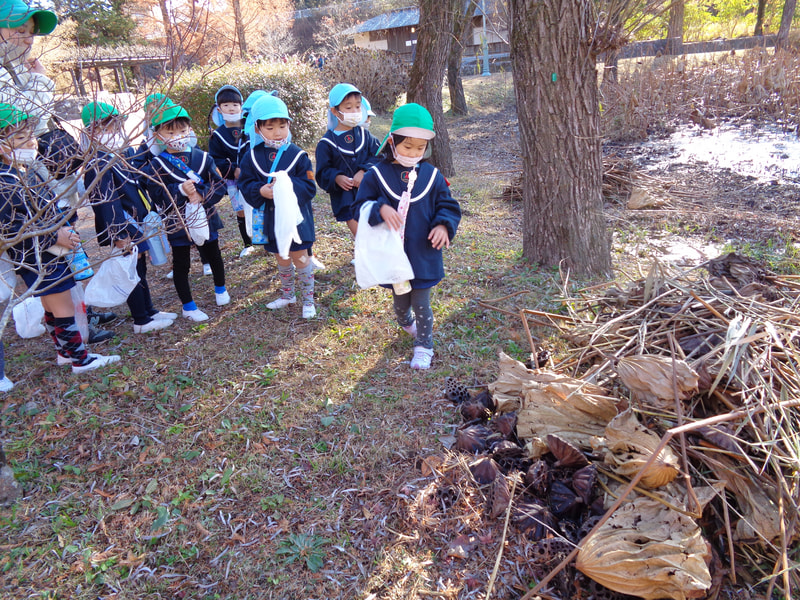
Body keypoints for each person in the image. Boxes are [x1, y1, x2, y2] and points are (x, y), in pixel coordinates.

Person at [0, 103, 120, 373]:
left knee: (54, 305)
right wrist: (56, 234)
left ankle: (64, 353)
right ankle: (80, 359)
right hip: (37, 256)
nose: (30, 142)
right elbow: (13, 228)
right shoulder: (5, 182)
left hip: (46, 253)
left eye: (30, 136)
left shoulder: (22, 172)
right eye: (20, 137)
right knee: (62, 304)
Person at [353, 103, 461, 370]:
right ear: (392, 141)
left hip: (423, 253)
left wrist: (443, 226)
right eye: (407, 146)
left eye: (420, 147)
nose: (413, 153)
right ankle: (405, 324)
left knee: (421, 301)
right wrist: (381, 208)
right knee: (401, 303)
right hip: (394, 255)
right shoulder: (376, 175)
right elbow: (359, 206)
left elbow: (447, 205)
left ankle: (424, 346)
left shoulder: (433, 176)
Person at [81, 101, 177, 334]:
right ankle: (141, 319)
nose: (113, 132)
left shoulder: (117, 156)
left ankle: (149, 310)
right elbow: (106, 203)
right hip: (125, 225)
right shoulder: (98, 163)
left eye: (115, 126)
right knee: (132, 270)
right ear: (91, 132)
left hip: (137, 221)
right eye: (105, 127)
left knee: (140, 268)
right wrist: (119, 235)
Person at [142, 103, 228, 322]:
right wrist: (179, 190)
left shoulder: (203, 157)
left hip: (206, 216)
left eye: (182, 131)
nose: (177, 136)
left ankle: (221, 289)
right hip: (177, 221)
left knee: (214, 254)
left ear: (189, 130)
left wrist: (202, 195)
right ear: (157, 135)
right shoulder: (157, 165)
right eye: (170, 132)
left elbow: (220, 186)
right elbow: (156, 194)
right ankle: (188, 306)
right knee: (182, 263)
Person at [238, 94, 318, 318]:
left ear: (289, 125)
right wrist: (260, 191)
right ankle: (288, 294)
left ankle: (308, 300)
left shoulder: (298, 155)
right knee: (281, 256)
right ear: (257, 129)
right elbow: (245, 184)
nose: (277, 132)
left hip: (296, 219)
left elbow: (310, 187)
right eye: (270, 127)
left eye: (282, 125)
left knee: (300, 256)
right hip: (270, 218)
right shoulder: (251, 157)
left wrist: (287, 188)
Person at [315, 83, 380, 239]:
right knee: (361, 234)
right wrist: (336, 177)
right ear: (334, 111)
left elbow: (379, 156)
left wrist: (365, 170)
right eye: (348, 108)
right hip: (345, 197)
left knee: (374, 229)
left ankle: (370, 256)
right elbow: (323, 171)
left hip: (369, 193)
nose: (354, 112)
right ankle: (366, 257)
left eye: (357, 107)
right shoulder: (326, 143)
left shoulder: (365, 135)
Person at [208, 85, 255, 258]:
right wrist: (232, 170)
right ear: (219, 109)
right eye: (226, 105)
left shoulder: (250, 128)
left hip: (253, 176)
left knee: (259, 205)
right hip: (234, 181)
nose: (231, 108)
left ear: (241, 106)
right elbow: (215, 159)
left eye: (235, 105)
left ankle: (263, 237)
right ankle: (248, 243)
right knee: (240, 209)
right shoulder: (217, 135)